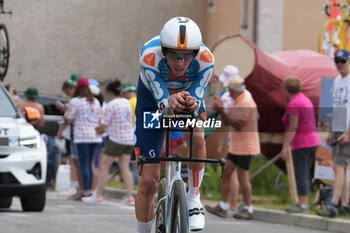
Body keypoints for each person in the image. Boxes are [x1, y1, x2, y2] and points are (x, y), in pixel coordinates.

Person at [134, 16, 215, 232]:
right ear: (163, 51)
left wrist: (191, 102)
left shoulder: (207, 60)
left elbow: (197, 98)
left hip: (187, 97)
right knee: (149, 183)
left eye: (186, 57)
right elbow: (162, 101)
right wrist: (169, 101)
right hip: (152, 102)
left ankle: (193, 198)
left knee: (197, 134)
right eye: (174, 56)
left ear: (195, 54)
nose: (180, 63)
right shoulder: (149, 56)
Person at [206, 74, 260, 220]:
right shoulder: (239, 100)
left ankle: (248, 208)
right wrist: (221, 109)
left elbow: (237, 124)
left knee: (243, 177)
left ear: (234, 90)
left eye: (229, 89)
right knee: (228, 171)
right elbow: (230, 120)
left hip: (245, 146)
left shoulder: (245, 103)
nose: (228, 92)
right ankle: (223, 206)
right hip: (237, 145)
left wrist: (222, 110)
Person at [82, 79, 135, 205]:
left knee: (104, 166)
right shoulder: (126, 103)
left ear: (109, 92)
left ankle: (98, 195)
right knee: (125, 167)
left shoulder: (111, 104)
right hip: (129, 139)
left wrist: (97, 129)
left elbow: (104, 125)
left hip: (116, 139)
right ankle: (129, 196)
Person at [280, 75, 321, 213]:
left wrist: (285, 146)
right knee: (305, 172)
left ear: (286, 90)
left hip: (302, 142)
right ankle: (304, 201)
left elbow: (293, 127)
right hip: (313, 140)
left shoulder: (294, 103)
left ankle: (303, 204)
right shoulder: (304, 99)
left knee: (301, 172)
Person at [317, 49, 350, 217]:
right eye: (337, 61)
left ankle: (334, 205)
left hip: (347, 128)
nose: (339, 65)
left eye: (342, 61)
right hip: (337, 127)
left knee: (338, 167)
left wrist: (348, 133)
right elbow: (336, 106)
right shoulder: (337, 81)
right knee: (341, 168)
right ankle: (345, 205)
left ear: (349, 62)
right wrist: (330, 131)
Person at [63, 77, 102, 199]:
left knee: (83, 164)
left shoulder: (75, 101)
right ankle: (89, 190)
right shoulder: (95, 101)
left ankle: (85, 191)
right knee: (90, 164)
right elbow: (100, 118)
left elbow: (69, 117)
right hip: (95, 137)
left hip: (82, 137)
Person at [56, 79, 84, 198]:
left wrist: (60, 131)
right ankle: (78, 186)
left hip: (74, 134)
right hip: (77, 134)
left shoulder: (75, 101)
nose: (68, 93)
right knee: (77, 162)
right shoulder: (82, 101)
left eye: (68, 91)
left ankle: (74, 186)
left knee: (74, 161)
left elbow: (69, 118)